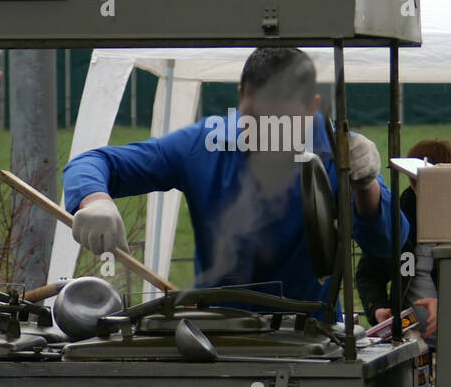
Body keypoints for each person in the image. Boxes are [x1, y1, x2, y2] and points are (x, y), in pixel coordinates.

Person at [62, 47, 405, 311]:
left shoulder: (338, 151)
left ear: (311, 106)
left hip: (311, 336)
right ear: (241, 95)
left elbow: (389, 242)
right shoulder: (203, 146)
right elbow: (95, 162)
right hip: (219, 335)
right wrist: (96, 200)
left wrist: (365, 185)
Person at [354, 139, 451, 341]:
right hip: (409, 341)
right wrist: (378, 310)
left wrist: (448, 305)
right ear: (412, 181)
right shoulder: (395, 221)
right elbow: (369, 275)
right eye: (422, 184)